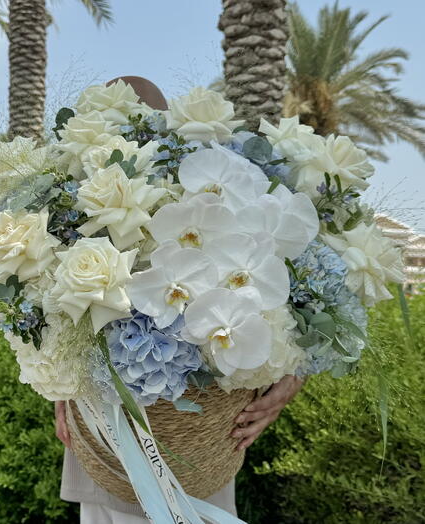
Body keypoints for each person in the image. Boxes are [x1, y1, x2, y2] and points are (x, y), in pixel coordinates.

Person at [54, 76, 305, 523]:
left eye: (146, 122)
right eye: (115, 120)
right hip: (107, 441)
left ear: (167, 127)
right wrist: (58, 388)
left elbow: (304, 309)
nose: (133, 132)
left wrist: (291, 377)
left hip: (202, 449)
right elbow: (49, 317)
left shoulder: (210, 195)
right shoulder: (71, 205)